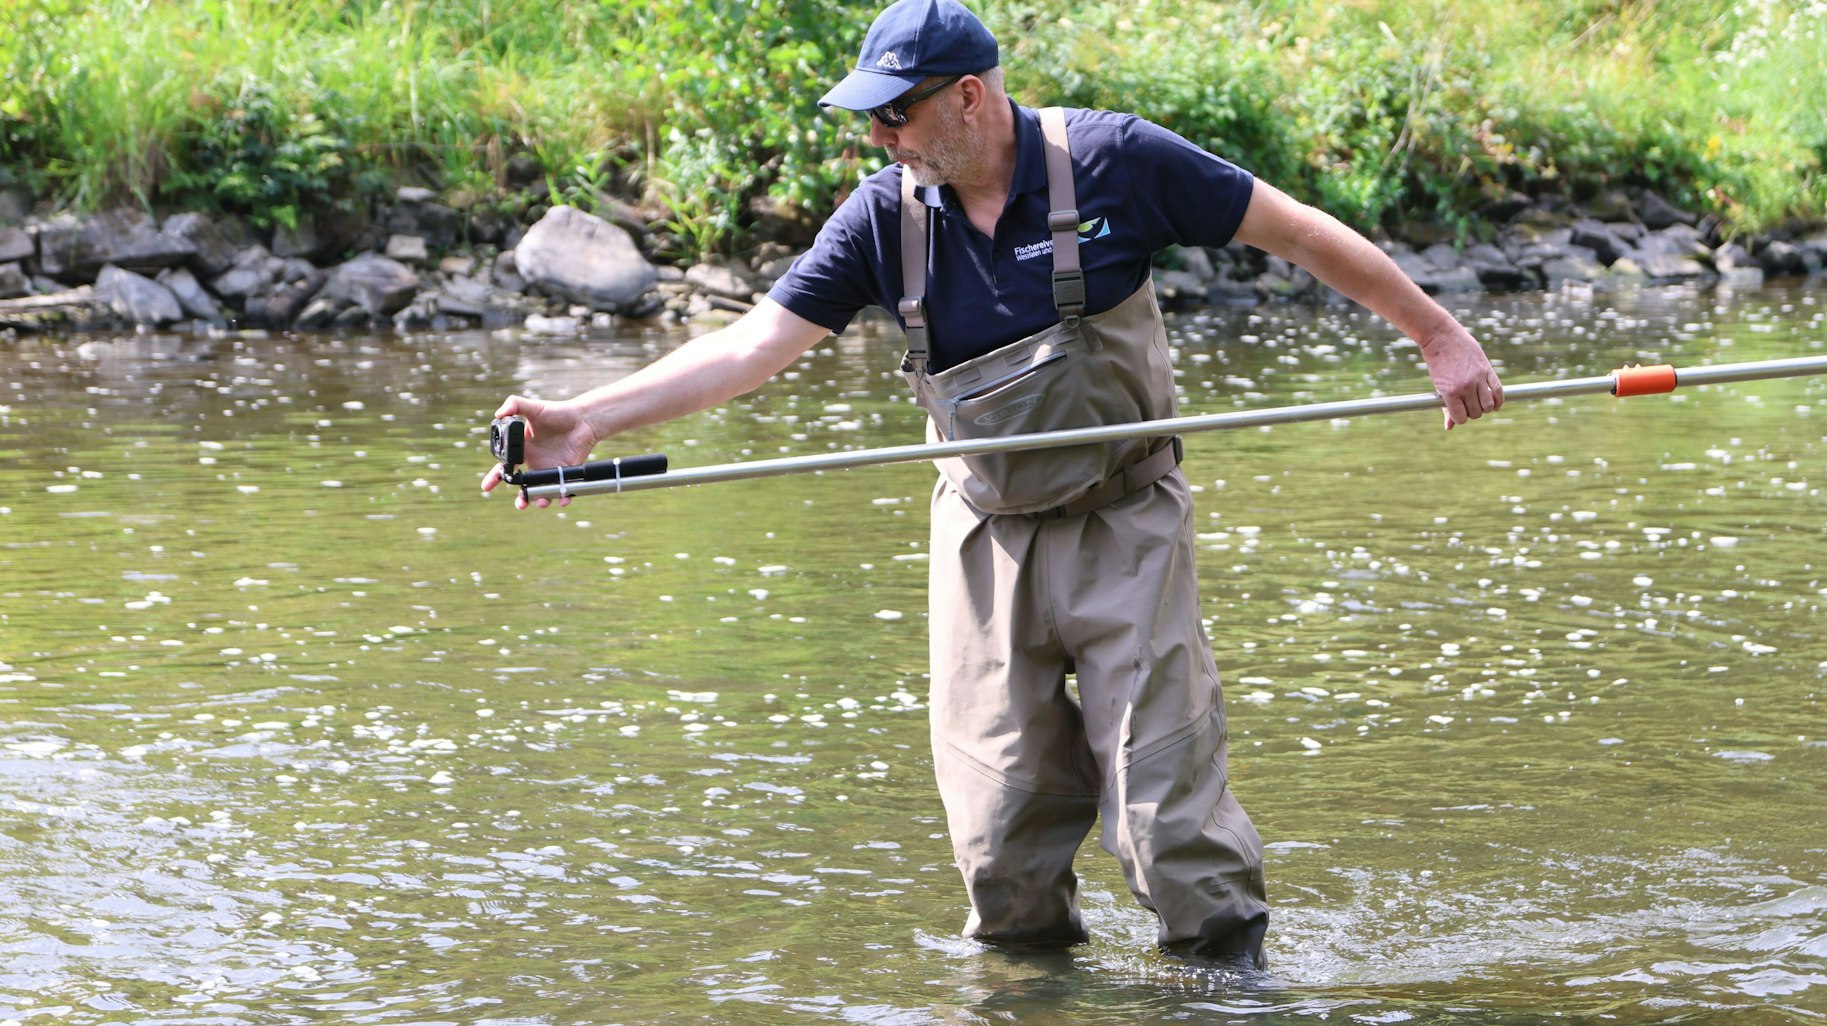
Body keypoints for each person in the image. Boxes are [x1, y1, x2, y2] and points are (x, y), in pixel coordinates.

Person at [481, 0, 1503, 970]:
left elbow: (1294, 230)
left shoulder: (1112, 161)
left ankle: (1225, 1023)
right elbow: (753, 346)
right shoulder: (882, 219)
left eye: (897, 112)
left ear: (967, 95)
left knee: (1166, 826)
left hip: (1123, 523)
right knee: (999, 843)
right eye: (870, 119)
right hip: (982, 538)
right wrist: (590, 419)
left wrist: (1438, 335)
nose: (883, 139)